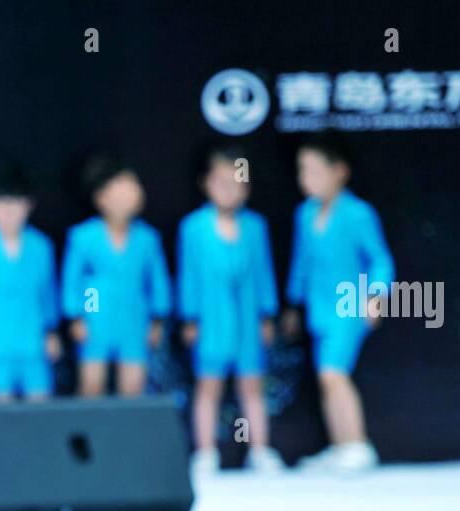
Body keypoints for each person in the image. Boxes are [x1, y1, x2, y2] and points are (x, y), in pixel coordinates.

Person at [282, 131, 394, 471]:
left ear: (339, 171)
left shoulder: (358, 213)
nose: (307, 179)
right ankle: (342, 445)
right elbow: (301, 262)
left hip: (349, 305)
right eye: (303, 171)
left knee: (333, 374)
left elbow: (380, 260)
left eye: (314, 170)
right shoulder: (305, 214)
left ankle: (358, 445)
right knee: (326, 377)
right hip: (319, 309)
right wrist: (293, 303)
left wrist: (376, 296)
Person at [178, 143, 284, 477]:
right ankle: (206, 452)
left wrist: (267, 313)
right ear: (206, 184)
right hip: (211, 320)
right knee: (208, 387)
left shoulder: (255, 227)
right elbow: (188, 274)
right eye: (220, 181)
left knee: (252, 386)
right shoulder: (193, 228)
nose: (228, 190)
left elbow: (264, 272)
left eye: (236, 182)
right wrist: (190, 316)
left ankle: (259, 448)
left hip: (247, 319)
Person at [61, 152, 172, 397]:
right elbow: (75, 280)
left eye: (132, 188)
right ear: (100, 197)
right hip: (97, 312)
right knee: (91, 383)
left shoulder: (147, 238)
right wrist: (79, 316)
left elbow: (158, 281)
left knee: (132, 386)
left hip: (134, 316)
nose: (128, 196)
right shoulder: (83, 236)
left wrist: (157, 318)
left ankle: (127, 434)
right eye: (119, 190)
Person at [0, 160, 61, 401]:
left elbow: (48, 293)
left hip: (34, 339)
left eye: (16, 202)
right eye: (0, 203)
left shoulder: (41, 246)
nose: (9, 211)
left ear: (29, 204)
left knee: (40, 404)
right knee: (0, 408)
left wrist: (51, 331)